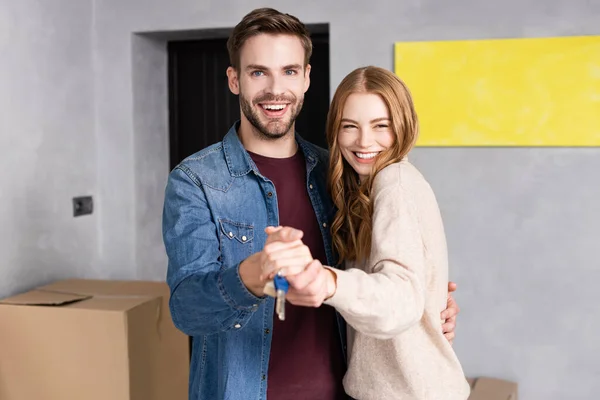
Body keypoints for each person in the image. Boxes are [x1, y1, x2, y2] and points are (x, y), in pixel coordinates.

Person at [162, 7, 460, 400]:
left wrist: (424, 304)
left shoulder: (337, 172)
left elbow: (378, 279)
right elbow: (187, 311)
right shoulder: (196, 180)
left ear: (305, 78)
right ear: (234, 80)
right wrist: (252, 275)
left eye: (288, 71)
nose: (274, 89)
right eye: (257, 72)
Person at [261, 66, 471, 399]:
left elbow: (400, 297)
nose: (363, 141)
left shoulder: (394, 184)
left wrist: (329, 282)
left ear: (402, 126)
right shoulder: (366, 189)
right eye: (349, 127)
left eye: (380, 126)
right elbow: (412, 291)